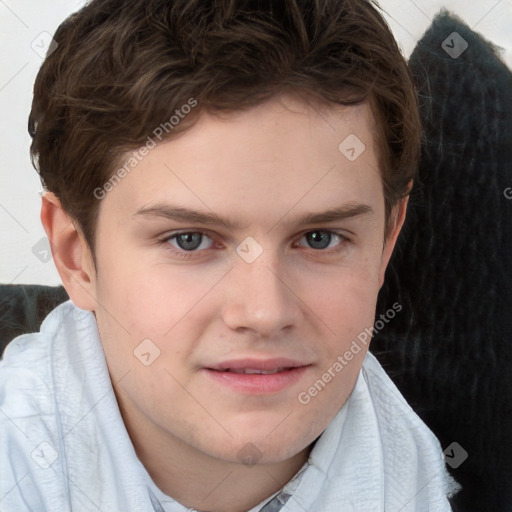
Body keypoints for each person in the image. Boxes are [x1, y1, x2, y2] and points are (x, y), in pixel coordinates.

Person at [0, 0, 460, 510]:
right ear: (75, 255)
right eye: (190, 240)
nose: (264, 313)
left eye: (319, 238)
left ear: (386, 241)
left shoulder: (418, 473)